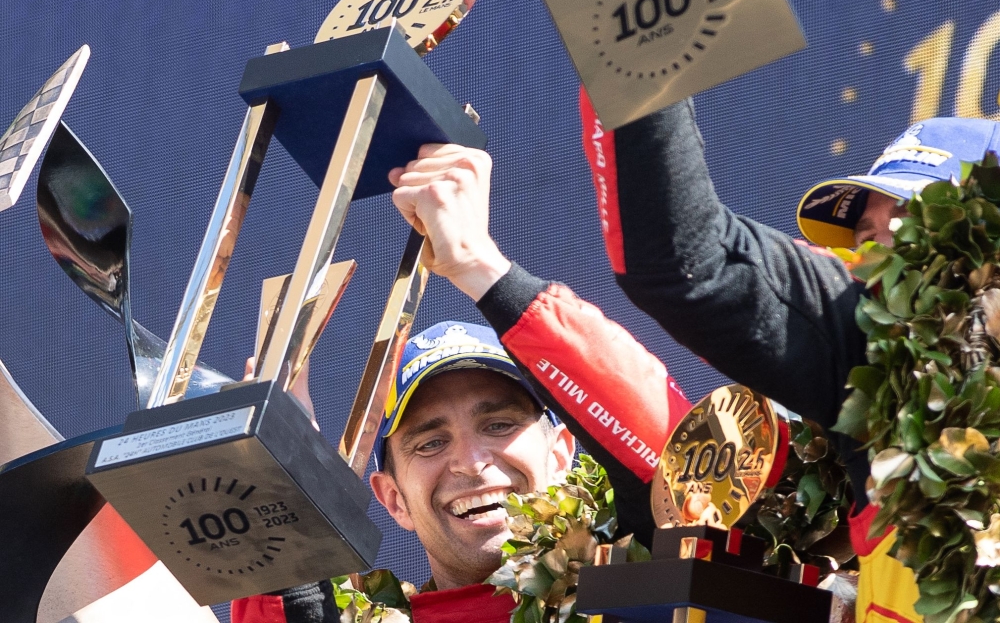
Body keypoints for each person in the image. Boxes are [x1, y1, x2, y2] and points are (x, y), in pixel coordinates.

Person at [578, 91, 1000, 623]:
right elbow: (684, 259)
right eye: (866, 234)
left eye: (917, 211)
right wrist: (641, 56)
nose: (886, 239)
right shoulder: (875, 360)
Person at [231, 143, 692, 623]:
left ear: (560, 454)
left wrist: (481, 267)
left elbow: (677, 458)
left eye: (498, 425)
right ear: (394, 500)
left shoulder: (638, 587)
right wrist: (281, 478)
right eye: (430, 443)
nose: (471, 463)